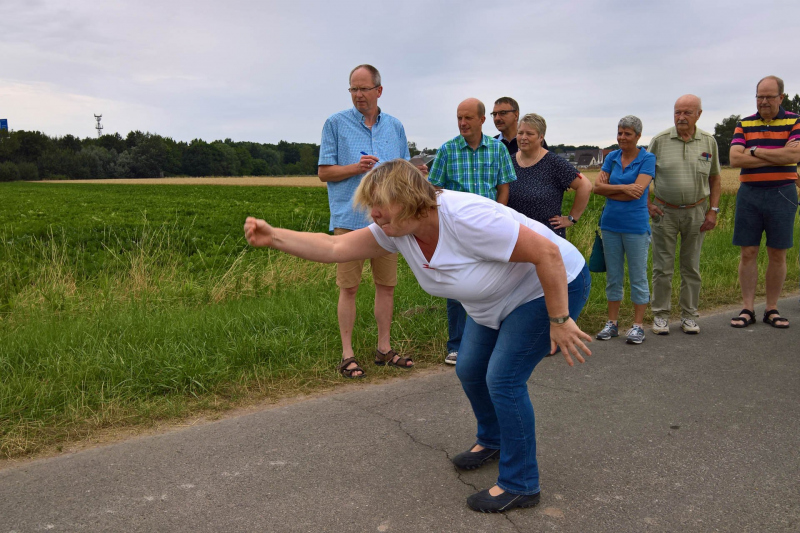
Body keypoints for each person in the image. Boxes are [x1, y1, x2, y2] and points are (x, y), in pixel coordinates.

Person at [244, 159, 593, 513]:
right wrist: (274, 237)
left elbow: (547, 253)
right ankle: (494, 440)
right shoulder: (395, 229)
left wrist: (559, 319)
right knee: (470, 369)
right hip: (492, 300)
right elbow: (335, 248)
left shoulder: (467, 218)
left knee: (503, 379)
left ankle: (521, 484)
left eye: (380, 204)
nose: (373, 214)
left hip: (548, 287)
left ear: (410, 199)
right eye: (371, 205)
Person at [317, 64, 424, 378]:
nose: (358, 95)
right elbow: (324, 172)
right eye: (353, 89)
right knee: (349, 287)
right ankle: (347, 355)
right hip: (350, 218)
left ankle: (384, 349)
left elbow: (403, 170)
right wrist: (356, 167)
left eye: (364, 89)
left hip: (389, 221)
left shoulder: (395, 126)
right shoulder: (335, 124)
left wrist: (415, 175)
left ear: (379, 90)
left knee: (386, 286)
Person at [428, 98, 516, 365]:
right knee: (457, 289)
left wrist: (498, 218)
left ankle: (490, 343)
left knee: (494, 284)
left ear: (482, 120)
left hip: (489, 227)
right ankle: (456, 346)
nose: (463, 123)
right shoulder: (447, 150)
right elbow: (434, 190)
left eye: (468, 118)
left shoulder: (498, 149)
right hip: (455, 230)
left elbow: (503, 188)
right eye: (459, 118)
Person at [729, 75, 800, 329]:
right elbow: (735, 159)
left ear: (781, 97)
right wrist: (779, 155)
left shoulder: (795, 120)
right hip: (749, 193)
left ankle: (772, 308)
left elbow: (795, 155)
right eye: (759, 96)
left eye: (769, 97)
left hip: (783, 193)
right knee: (748, 252)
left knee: (777, 253)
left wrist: (754, 151)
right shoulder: (744, 123)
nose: (764, 101)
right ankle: (747, 308)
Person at [647, 95, 722, 335]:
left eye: (687, 113)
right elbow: (643, 175)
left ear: (699, 114)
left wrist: (713, 211)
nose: (681, 117)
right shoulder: (659, 141)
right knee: (662, 267)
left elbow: (715, 178)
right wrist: (647, 205)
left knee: (691, 266)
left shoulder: (708, 141)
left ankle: (689, 316)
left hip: (697, 212)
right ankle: (661, 315)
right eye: (677, 112)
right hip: (664, 211)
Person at [593, 116, 656, 344]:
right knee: (614, 277)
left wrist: (611, 189)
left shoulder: (647, 158)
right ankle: (612, 323)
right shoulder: (612, 157)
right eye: (620, 133)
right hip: (610, 224)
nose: (622, 137)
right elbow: (596, 188)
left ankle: (638, 326)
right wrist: (624, 188)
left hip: (635, 226)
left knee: (638, 277)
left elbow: (637, 192)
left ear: (638, 136)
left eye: (627, 134)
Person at [507, 113, 592, 239]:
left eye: (529, 134)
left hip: (546, 235)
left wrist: (571, 218)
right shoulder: (509, 162)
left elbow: (585, 185)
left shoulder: (554, 163)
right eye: (520, 133)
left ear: (541, 137)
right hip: (516, 234)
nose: (523, 137)